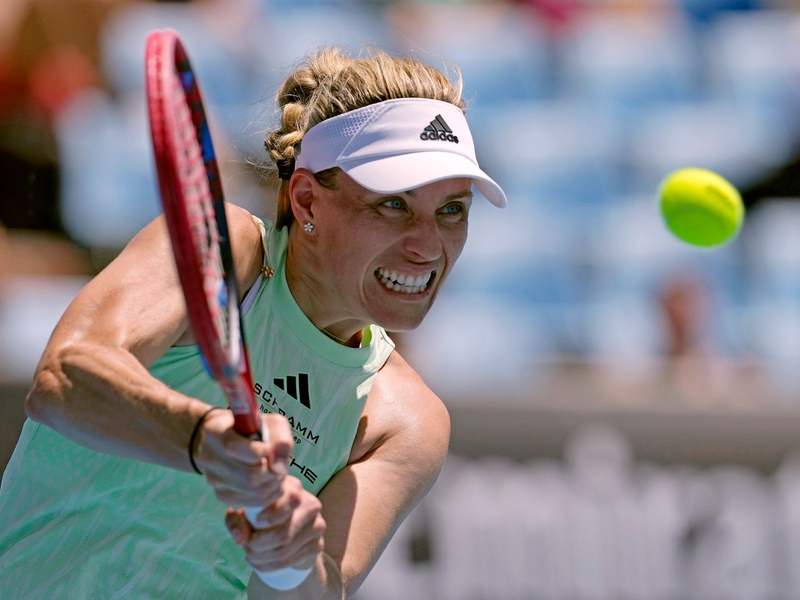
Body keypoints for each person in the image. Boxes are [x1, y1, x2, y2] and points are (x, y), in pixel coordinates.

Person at [0, 48, 506, 598]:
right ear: (307, 200)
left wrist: (288, 561)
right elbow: (63, 379)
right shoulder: (228, 252)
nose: (428, 246)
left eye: (452, 210)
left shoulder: (406, 421)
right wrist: (200, 438)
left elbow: (321, 587)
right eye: (393, 205)